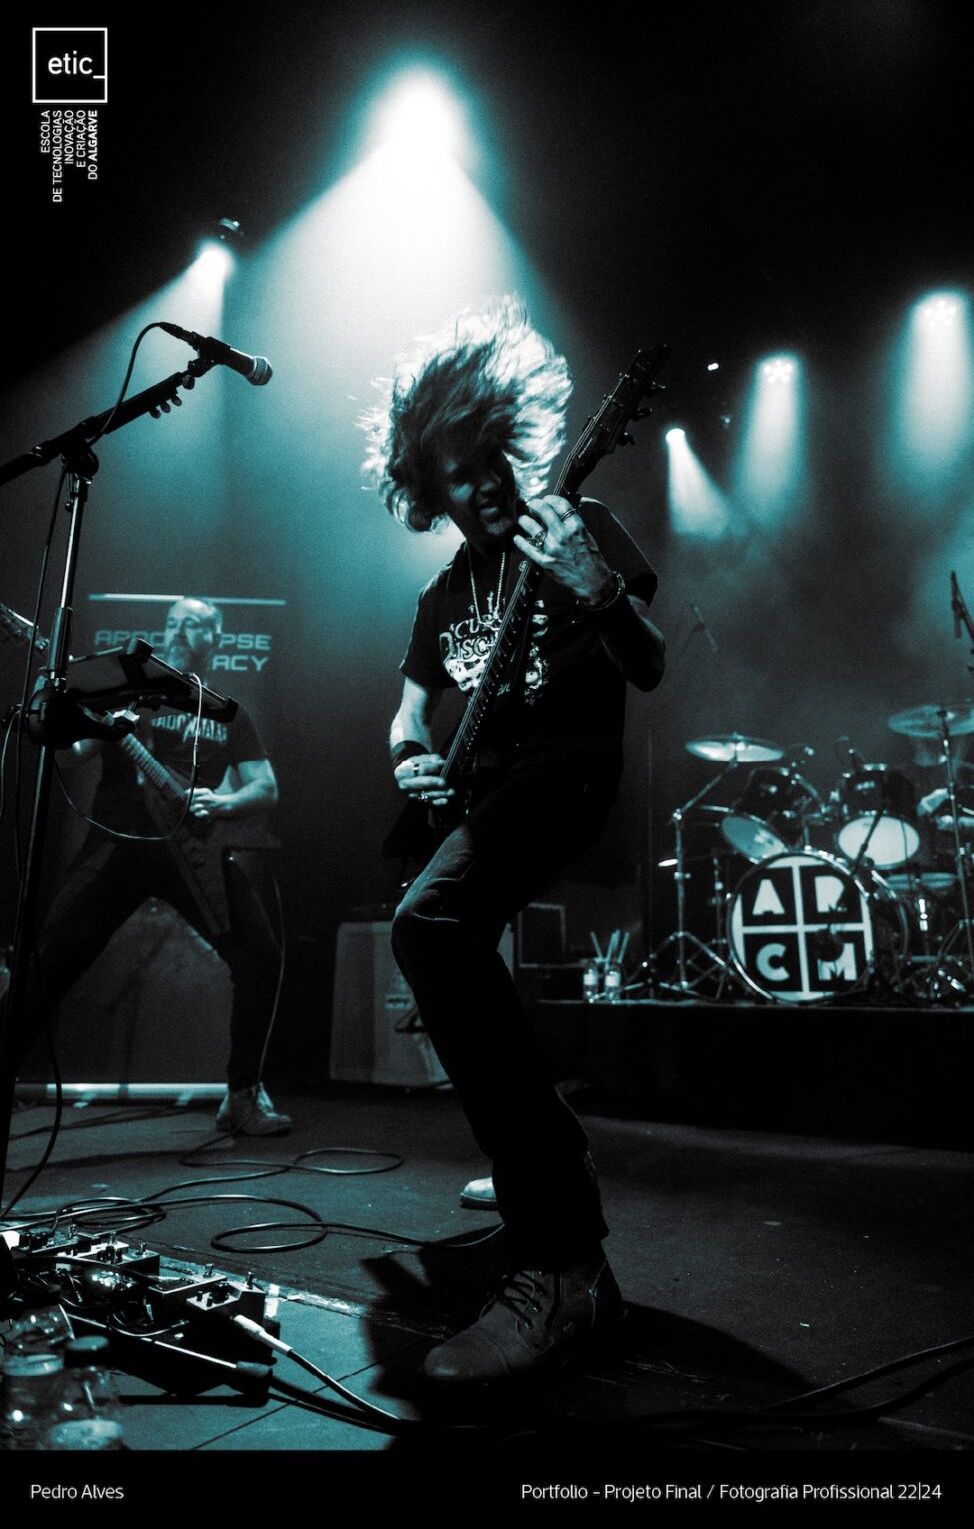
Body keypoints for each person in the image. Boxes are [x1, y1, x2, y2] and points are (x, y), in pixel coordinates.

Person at [363, 298, 665, 1384]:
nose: (484, 486)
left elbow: (648, 664)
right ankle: (544, 1155)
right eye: (457, 475)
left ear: (511, 447)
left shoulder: (572, 525)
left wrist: (600, 595)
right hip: (486, 792)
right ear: (427, 490)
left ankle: (562, 1261)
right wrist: (409, 756)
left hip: (568, 771)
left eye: (490, 460)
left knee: (430, 925)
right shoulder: (441, 593)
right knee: (442, 946)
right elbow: (406, 715)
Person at [18, 597, 288, 1136]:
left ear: (215, 639)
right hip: (117, 845)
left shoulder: (227, 712)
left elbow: (266, 788)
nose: (180, 631)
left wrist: (223, 803)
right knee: (49, 961)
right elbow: (73, 755)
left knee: (260, 957)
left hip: (193, 853)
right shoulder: (128, 700)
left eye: (194, 624)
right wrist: (67, 713)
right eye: (172, 622)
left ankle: (241, 1098)